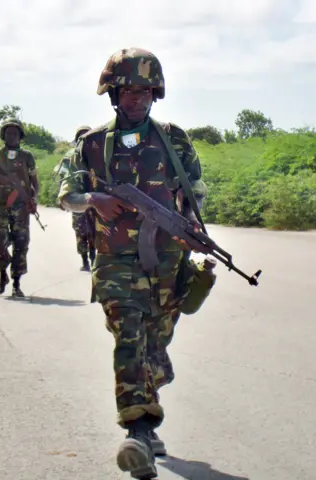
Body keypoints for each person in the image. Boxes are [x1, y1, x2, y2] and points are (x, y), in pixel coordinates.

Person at [57, 48, 208, 480]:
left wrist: (190, 228)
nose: (136, 98)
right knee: (128, 334)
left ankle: (148, 405)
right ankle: (137, 431)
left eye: (144, 90)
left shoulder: (173, 139)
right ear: (113, 93)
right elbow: (66, 193)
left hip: (166, 258)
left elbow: (194, 190)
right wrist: (93, 201)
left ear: (155, 93)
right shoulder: (90, 145)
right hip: (115, 260)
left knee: (155, 349)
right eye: (128, 90)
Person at [0, 118, 39, 298]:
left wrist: (34, 198)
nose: (11, 136)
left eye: (15, 133)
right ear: (3, 135)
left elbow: (35, 182)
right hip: (0, 207)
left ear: (20, 136)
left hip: (21, 207)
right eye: (8, 133)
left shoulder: (27, 157)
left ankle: (16, 283)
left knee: (21, 244)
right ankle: (2, 275)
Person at [54, 126, 96, 271]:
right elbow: (63, 177)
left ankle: (94, 258)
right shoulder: (70, 157)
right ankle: (84, 259)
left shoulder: (97, 155)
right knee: (80, 230)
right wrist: (62, 198)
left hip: (96, 200)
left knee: (95, 231)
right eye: (81, 137)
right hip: (77, 199)